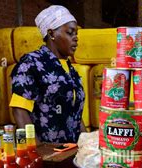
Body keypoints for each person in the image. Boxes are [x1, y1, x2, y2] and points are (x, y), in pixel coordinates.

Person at [9, 5, 85, 143]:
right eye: (70, 32)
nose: (75, 38)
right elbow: (19, 111)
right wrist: (37, 152)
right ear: (51, 34)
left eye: (76, 34)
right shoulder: (31, 63)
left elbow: (75, 114)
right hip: (47, 155)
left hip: (70, 153)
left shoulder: (70, 69)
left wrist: (86, 145)